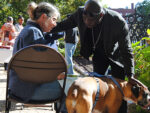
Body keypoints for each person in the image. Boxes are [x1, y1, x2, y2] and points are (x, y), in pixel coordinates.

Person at [51, 0, 134, 113]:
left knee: (119, 89)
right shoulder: (80, 13)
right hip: (99, 53)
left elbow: (127, 49)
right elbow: (64, 24)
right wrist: (46, 28)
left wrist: (130, 74)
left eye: (91, 20)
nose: (87, 22)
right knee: (97, 86)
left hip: (116, 56)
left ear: (101, 15)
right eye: (85, 19)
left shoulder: (117, 21)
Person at [9, 2, 67, 113]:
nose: (55, 24)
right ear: (44, 17)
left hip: (20, 86)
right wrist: (58, 73)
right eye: (54, 19)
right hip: (28, 90)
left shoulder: (30, 30)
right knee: (69, 89)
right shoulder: (32, 32)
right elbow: (40, 69)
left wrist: (55, 35)